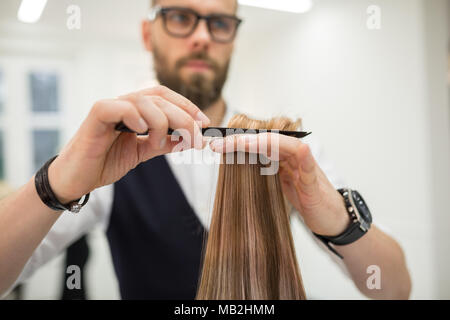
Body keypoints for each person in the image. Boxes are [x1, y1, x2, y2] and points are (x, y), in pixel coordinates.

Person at [0, 0, 411, 299]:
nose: (201, 37)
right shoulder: (107, 152)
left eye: (219, 23)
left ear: (233, 38)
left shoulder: (289, 150)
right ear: (148, 33)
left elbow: (393, 289)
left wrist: (338, 219)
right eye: (180, 17)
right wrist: (55, 184)